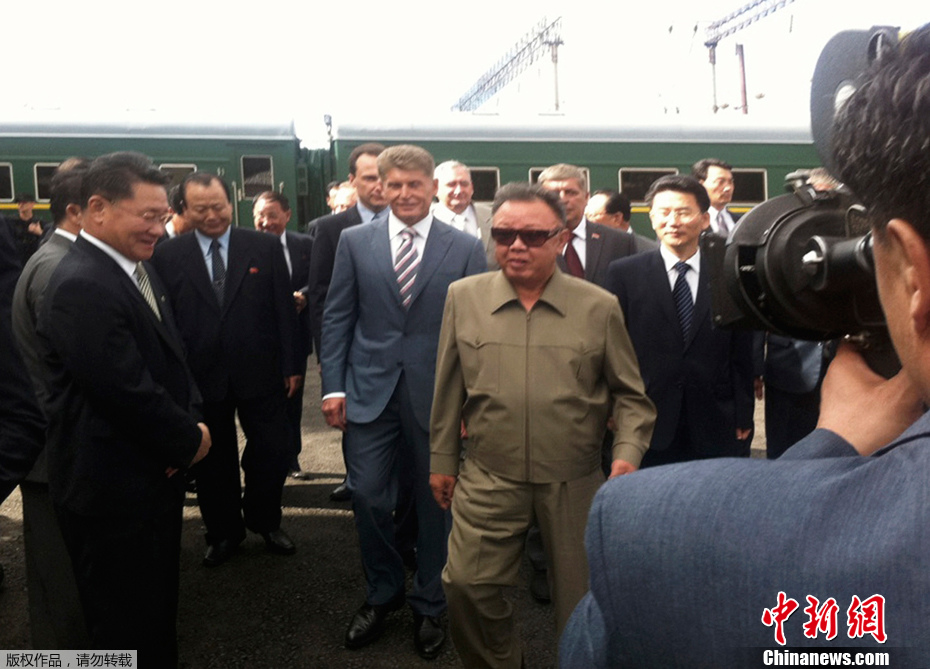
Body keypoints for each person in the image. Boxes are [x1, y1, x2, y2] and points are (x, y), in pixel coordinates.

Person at [561, 25, 930, 666]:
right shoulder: (626, 273)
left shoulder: (657, 541)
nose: (673, 220)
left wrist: (829, 446)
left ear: (911, 275)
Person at [430, 182, 655, 668]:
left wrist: (627, 456)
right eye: (504, 234)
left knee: (581, 605)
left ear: (561, 238)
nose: (516, 246)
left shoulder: (598, 306)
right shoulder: (464, 298)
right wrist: (442, 459)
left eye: (533, 236)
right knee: (466, 585)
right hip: (489, 473)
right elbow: (448, 387)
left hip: (574, 480)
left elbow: (632, 397)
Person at [33, 152, 210, 665]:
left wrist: (191, 418)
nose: (160, 227)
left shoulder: (134, 267)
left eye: (163, 216)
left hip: (148, 479)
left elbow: (173, 359)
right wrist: (189, 440)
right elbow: (125, 392)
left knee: (153, 614)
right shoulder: (81, 285)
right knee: (124, 628)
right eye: (148, 216)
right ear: (97, 208)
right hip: (112, 495)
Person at [320, 144, 486, 659]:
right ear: (379, 186)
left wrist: (470, 401)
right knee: (369, 495)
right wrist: (333, 385)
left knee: (436, 503)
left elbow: (476, 331)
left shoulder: (465, 247)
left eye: (415, 184)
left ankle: (430, 602)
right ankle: (383, 591)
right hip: (369, 392)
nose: (404, 193)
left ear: (432, 187)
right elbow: (338, 315)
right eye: (394, 184)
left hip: (439, 397)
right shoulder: (354, 241)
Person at [153, 172, 300, 567]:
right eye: (201, 209)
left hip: (262, 371)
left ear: (231, 204)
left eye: (219, 206)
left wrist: (291, 364)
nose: (213, 215)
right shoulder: (167, 255)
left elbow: (284, 311)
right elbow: (166, 323)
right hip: (201, 377)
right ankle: (223, 532)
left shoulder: (263, 247)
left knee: (273, 449)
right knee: (212, 461)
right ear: (183, 210)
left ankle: (265, 519)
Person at [606, 175, 755, 466]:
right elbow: (612, 348)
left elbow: (741, 351)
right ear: (652, 218)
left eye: (683, 212)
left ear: (704, 219)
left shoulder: (727, 273)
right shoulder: (624, 274)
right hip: (645, 420)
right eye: (664, 212)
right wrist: (612, 408)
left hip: (715, 418)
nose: (673, 221)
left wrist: (743, 413)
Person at [11, 165, 89, 648]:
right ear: (80, 211)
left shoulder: (58, 260)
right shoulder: (60, 269)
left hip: (55, 452)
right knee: (63, 589)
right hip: (58, 455)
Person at [308, 142, 388, 502]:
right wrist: (327, 357)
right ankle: (355, 478)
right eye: (370, 178)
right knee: (356, 423)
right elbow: (322, 298)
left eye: (385, 177)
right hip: (356, 352)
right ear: (352, 181)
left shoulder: (416, 226)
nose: (379, 185)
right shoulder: (330, 228)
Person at [253, 191, 315, 479]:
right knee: (260, 403)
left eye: (272, 215)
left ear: (287, 216)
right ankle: (264, 459)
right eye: (260, 216)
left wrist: (304, 295)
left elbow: (320, 279)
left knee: (293, 400)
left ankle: (292, 458)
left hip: (295, 338)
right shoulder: (245, 246)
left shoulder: (305, 245)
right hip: (259, 340)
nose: (266, 222)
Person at [538, 164, 634, 288]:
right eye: (554, 194)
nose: (562, 199)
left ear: (586, 197)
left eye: (571, 193)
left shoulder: (619, 241)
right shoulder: (530, 241)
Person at [430, 160, 496, 268]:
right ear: (435, 188)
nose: (459, 191)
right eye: (451, 184)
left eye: (464, 184)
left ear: (472, 187)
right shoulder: (422, 219)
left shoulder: (494, 217)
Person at [584, 188, 657, 253]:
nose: (585, 221)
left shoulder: (649, 251)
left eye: (591, 215)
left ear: (617, 218)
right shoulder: (584, 250)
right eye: (584, 216)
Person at [692, 157, 738, 236]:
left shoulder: (741, 221)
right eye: (720, 182)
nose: (728, 188)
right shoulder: (692, 222)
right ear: (701, 185)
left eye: (730, 182)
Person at [6, 193, 48, 267]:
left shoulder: (40, 223)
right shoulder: (10, 222)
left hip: (34, 261)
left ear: (32, 204)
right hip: (16, 261)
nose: (20, 205)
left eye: (24, 202)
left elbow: (49, 242)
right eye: (19, 203)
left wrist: (39, 232)